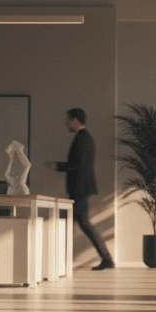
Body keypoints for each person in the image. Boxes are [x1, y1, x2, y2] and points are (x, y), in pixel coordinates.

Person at [48, 108, 114, 270]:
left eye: (68, 120)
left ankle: (57, 262)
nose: (66, 123)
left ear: (75, 120)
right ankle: (106, 258)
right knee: (82, 223)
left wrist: (57, 165)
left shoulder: (83, 138)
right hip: (81, 188)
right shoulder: (83, 137)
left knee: (66, 222)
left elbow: (79, 164)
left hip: (80, 189)